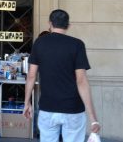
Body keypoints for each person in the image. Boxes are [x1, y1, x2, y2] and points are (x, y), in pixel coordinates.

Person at [23, 9, 101, 142]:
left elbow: (31, 76)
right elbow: (81, 81)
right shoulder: (77, 45)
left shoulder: (39, 43)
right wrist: (93, 118)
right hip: (73, 108)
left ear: (50, 23)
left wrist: (27, 103)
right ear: (68, 25)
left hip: (48, 108)